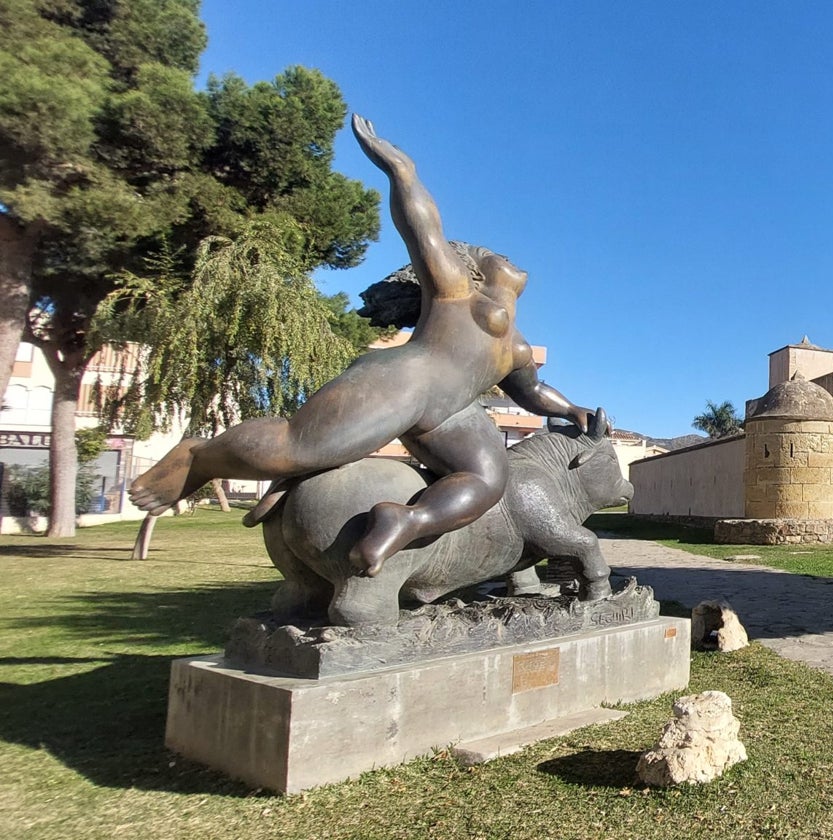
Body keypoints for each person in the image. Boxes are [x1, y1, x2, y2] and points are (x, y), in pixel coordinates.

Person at [130, 115, 594, 576]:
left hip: (452, 415)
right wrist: (402, 172)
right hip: (404, 382)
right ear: (474, 268)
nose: (510, 260)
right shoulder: (455, 291)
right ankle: (200, 457)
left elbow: (532, 393)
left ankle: (408, 519)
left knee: (488, 481)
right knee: (298, 448)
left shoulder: (515, 345)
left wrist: (573, 410)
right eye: (498, 256)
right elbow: (422, 227)